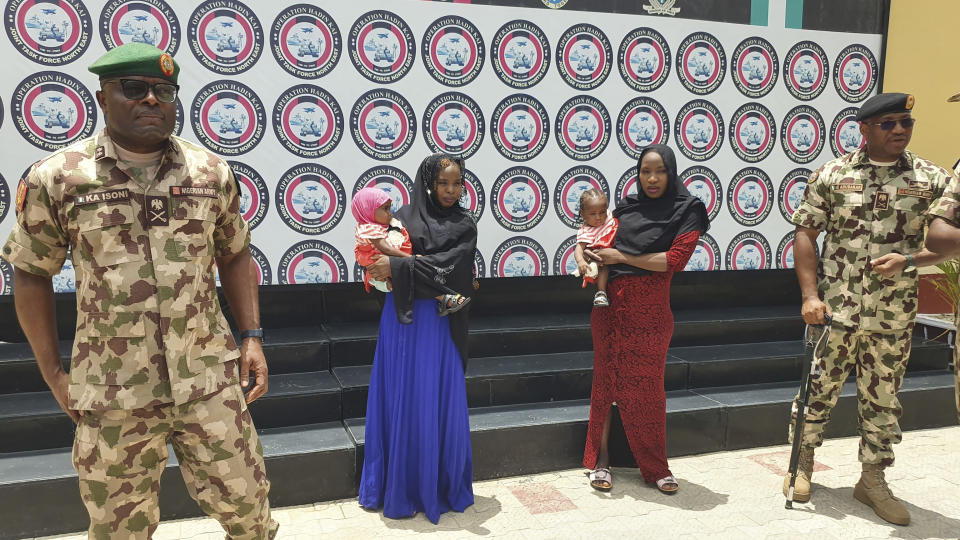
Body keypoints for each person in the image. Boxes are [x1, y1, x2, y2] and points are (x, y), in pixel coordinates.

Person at [1, 43, 277, 539]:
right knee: (117, 530)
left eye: (164, 91)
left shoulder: (210, 172)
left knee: (250, 514)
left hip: (208, 382)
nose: (152, 100)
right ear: (103, 98)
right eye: (134, 89)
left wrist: (251, 336)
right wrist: (53, 373)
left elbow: (234, 253)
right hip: (112, 393)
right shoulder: (60, 178)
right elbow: (30, 271)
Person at [785, 93, 954, 526]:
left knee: (883, 399)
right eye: (889, 123)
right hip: (834, 311)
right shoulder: (832, 174)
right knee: (817, 389)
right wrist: (809, 295)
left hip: (892, 314)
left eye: (906, 122)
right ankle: (801, 465)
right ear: (865, 128)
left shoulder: (932, 179)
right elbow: (805, 234)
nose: (900, 130)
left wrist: (910, 261)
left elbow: (944, 244)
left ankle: (872, 480)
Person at [581, 144, 708, 494]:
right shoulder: (625, 210)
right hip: (608, 310)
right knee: (605, 385)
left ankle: (655, 467)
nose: (651, 179)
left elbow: (674, 259)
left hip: (651, 313)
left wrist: (620, 255)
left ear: (671, 172)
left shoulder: (687, 210)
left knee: (649, 391)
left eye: (660, 171)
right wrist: (587, 258)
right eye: (645, 172)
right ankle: (601, 460)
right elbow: (595, 243)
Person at [358, 153, 477, 523]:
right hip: (404, 321)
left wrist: (398, 265)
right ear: (429, 182)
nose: (451, 190)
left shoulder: (465, 223)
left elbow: (453, 270)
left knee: (432, 398)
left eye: (457, 183)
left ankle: (437, 486)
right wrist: (395, 266)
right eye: (444, 183)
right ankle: (399, 487)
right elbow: (372, 256)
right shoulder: (403, 218)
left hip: (440, 325)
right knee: (403, 398)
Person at [351, 187, 470, 315]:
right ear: (368, 210)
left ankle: (445, 298)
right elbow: (385, 248)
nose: (390, 213)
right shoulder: (369, 228)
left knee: (416, 277)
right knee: (415, 277)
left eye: (389, 208)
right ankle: (444, 298)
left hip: (394, 270)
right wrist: (412, 259)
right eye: (385, 209)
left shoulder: (384, 225)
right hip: (382, 272)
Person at [572, 189, 619, 307]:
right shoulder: (586, 231)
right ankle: (601, 293)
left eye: (602, 212)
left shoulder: (609, 216)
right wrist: (581, 261)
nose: (598, 217)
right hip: (603, 259)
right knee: (603, 266)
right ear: (582, 214)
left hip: (620, 252)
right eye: (592, 214)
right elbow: (578, 250)